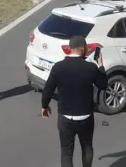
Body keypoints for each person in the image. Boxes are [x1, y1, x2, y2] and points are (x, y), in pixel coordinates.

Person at [41, 35, 108, 167]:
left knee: (66, 152)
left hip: (65, 118)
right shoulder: (91, 68)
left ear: (70, 49)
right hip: (86, 117)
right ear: (83, 49)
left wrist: (45, 106)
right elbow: (103, 85)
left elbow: (47, 90)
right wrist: (100, 66)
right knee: (87, 147)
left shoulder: (58, 67)